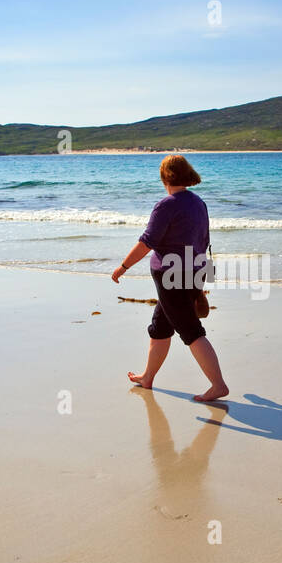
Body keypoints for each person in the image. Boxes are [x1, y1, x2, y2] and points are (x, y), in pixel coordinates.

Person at [111, 155, 229, 402]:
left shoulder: (166, 205)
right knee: (160, 327)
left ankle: (218, 385)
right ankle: (148, 377)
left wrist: (123, 266)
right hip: (195, 267)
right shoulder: (199, 203)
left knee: (191, 330)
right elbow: (204, 239)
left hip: (171, 275)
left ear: (165, 176)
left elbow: (147, 242)